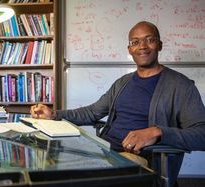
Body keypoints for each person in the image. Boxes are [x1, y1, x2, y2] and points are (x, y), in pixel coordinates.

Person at [30, 21, 205, 187]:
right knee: (48, 167)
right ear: (130, 49)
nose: (142, 46)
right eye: (135, 42)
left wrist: (158, 132)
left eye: (149, 40)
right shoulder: (123, 83)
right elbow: (92, 112)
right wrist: (54, 115)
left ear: (159, 45)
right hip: (104, 151)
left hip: (141, 159)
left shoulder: (181, 86)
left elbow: (202, 135)